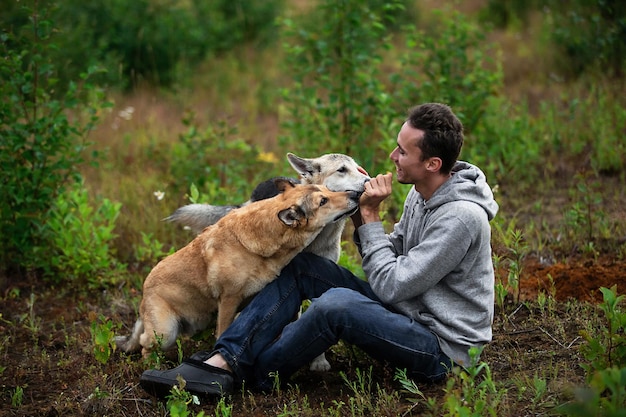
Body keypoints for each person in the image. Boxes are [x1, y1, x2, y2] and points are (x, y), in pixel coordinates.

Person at [139, 102, 499, 398]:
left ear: (432, 164)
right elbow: (394, 254)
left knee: (335, 306)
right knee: (302, 267)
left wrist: (368, 216)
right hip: (406, 310)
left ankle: (250, 375)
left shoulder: (461, 218)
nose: (392, 156)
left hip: (441, 349)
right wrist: (359, 213)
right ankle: (223, 360)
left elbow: (393, 285)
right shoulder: (422, 194)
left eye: (403, 151)